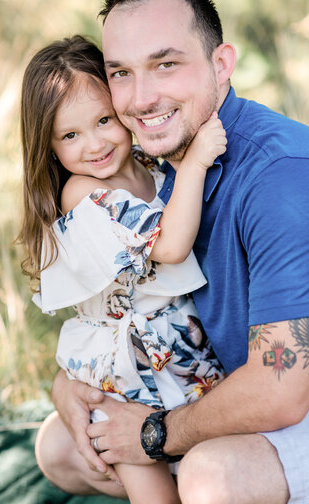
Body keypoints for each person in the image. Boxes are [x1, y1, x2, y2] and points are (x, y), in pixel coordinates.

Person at [36, 0, 309, 503]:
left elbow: (280, 390)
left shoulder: (290, 180)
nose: (142, 98)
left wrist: (152, 433)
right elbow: (116, 306)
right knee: (62, 444)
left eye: (166, 64)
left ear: (221, 65)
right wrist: (70, 386)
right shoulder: (154, 169)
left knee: (212, 475)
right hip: (229, 389)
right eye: (121, 73)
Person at [18, 35, 227, 503]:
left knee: (207, 474)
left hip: (181, 352)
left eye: (103, 120)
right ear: (48, 146)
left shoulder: (146, 167)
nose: (94, 144)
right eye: (70, 135)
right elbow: (170, 246)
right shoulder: (82, 195)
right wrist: (195, 163)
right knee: (151, 490)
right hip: (123, 379)